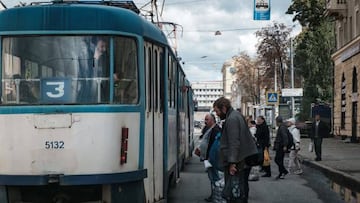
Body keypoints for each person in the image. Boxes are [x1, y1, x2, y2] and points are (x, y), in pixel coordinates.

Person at [213, 97, 258, 203]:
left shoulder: (232, 119)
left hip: (239, 161)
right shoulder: (236, 115)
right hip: (242, 158)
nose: (217, 114)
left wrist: (232, 163)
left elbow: (234, 142)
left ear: (223, 108)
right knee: (240, 188)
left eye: (217, 111)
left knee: (235, 190)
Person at [203, 113, 222, 202]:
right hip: (209, 158)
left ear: (212, 120)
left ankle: (216, 197)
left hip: (213, 159)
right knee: (212, 178)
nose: (205, 121)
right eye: (205, 119)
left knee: (215, 178)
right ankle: (213, 195)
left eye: (207, 120)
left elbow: (216, 146)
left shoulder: (216, 130)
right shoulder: (210, 129)